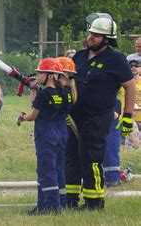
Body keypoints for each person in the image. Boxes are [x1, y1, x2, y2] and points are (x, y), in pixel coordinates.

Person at [66, 16, 136, 210]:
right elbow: (65, 80)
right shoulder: (79, 56)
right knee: (70, 156)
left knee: (91, 156)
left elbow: (130, 87)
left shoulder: (116, 59)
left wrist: (127, 116)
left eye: (96, 35)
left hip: (97, 116)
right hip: (73, 116)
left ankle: (94, 202)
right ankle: (70, 199)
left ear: (107, 39)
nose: (91, 38)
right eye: (90, 33)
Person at [18, 58, 65, 215]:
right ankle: (44, 205)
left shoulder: (44, 94)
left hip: (44, 132)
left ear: (50, 76)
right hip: (56, 130)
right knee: (51, 169)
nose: (38, 77)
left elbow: (33, 115)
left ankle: (50, 207)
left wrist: (22, 117)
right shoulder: (60, 92)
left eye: (40, 73)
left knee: (45, 170)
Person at [55, 57, 77, 208]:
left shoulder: (62, 92)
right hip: (64, 132)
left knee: (60, 166)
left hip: (60, 133)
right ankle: (64, 199)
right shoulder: (68, 90)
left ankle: (62, 201)